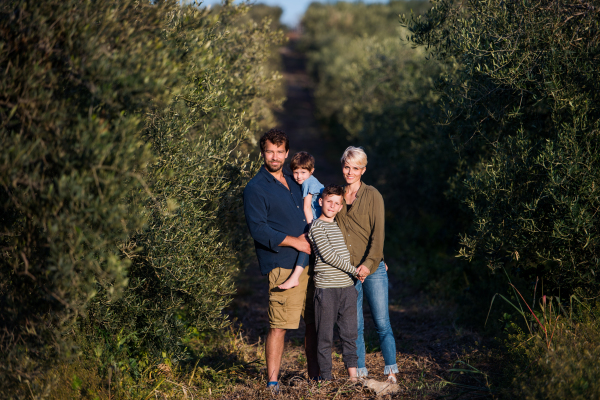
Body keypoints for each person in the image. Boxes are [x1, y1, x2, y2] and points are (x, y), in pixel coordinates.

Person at [243, 129, 319, 393]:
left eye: (279, 151)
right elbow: (259, 230)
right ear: (262, 153)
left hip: (312, 263)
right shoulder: (255, 188)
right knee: (279, 326)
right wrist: (295, 241)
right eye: (269, 151)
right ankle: (272, 384)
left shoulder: (295, 178)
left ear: (287, 153)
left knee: (314, 322)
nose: (274, 156)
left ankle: (315, 377)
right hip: (283, 265)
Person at [335, 146, 398, 383]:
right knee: (355, 326)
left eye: (355, 168)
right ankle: (360, 374)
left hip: (372, 269)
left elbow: (378, 236)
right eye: (346, 167)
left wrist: (369, 264)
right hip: (348, 271)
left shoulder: (373, 195)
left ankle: (391, 370)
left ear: (363, 170)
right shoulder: (337, 195)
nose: (350, 172)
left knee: (382, 322)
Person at [308, 184, 360, 382]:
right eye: (329, 201)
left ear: (340, 207)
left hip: (347, 288)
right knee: (325, 337)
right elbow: (328, 255)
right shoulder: (316, 226)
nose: (332, 206)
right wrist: (353, 270)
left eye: (337, 203)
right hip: (326, 289)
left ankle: (353, 378)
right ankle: (327, 379)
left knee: (349, 334)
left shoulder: (340, 226)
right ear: (321, 202)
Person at [278, 151, 324, 290]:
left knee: (305, 245)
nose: (298, 176)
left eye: (303, 172)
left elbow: (307, 208)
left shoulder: (308, 183)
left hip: (317, 221)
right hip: (320, 220)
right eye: (296, 172)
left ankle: (295, 277)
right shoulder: (312, 181)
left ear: (311, 171)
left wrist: (312, 228)